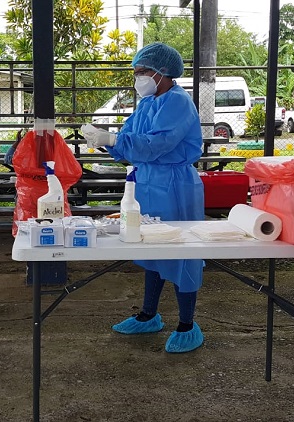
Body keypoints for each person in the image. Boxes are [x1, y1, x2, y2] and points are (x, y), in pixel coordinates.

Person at [81, 42, 205, 353]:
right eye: (136, 72)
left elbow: (156, 144)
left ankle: (187, 323)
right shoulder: (148, 104)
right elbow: (129, 140)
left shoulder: (177, 102)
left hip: (176, 184)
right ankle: (149, 314)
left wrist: (114, 139)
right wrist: (105, 141)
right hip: (147, 182)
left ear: (162, 72)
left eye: (142, 72)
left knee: (181, 250)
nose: (138, 78)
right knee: (150, 246)